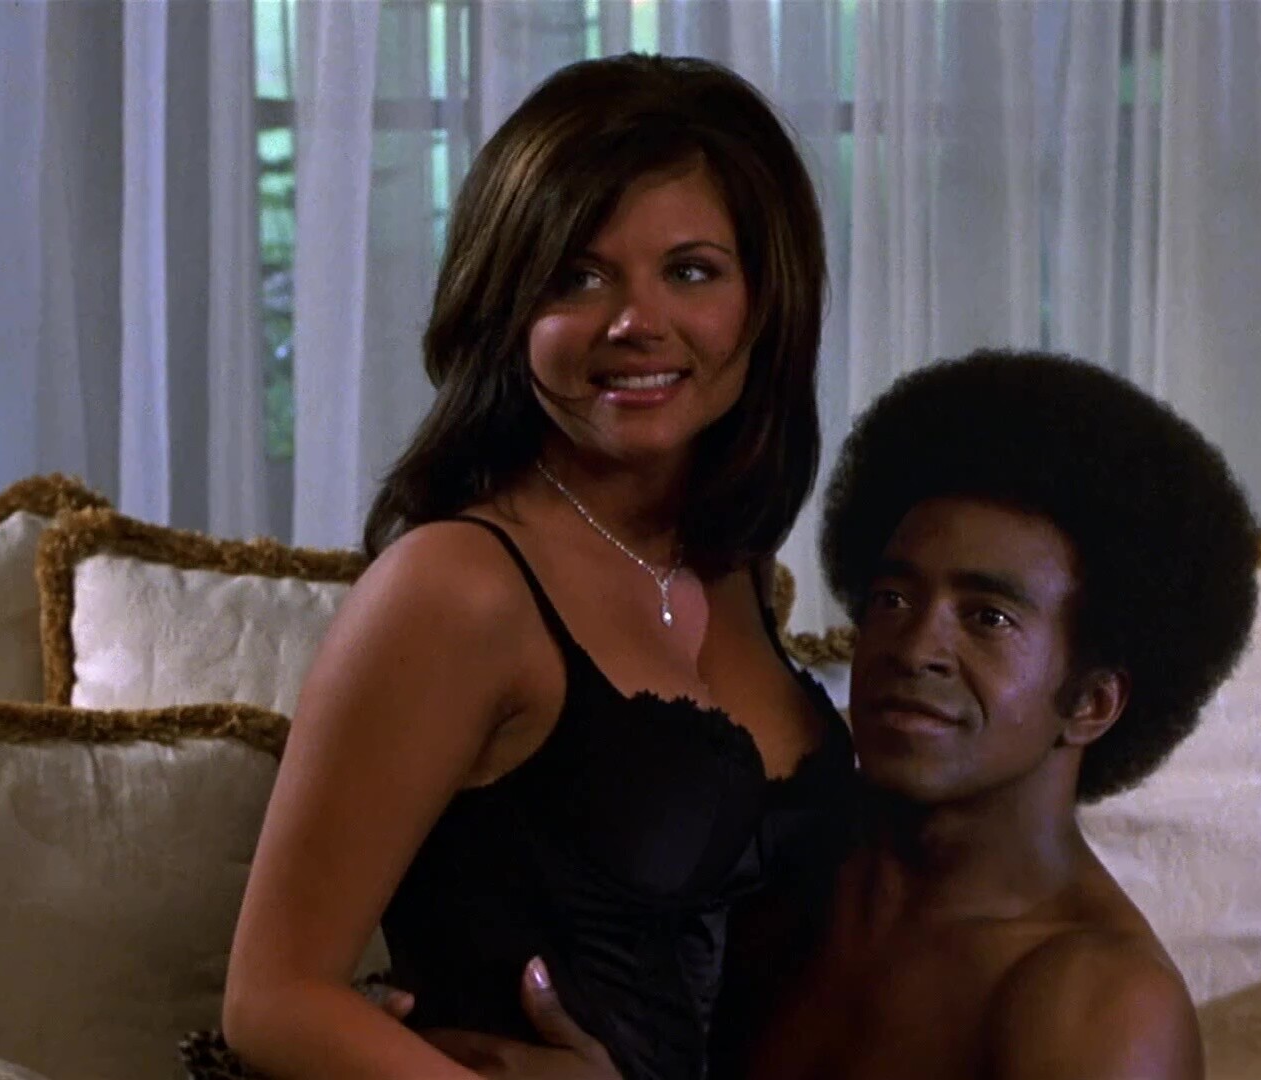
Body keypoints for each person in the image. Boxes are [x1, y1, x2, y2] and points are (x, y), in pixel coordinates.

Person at [218, 53, 854, 1080]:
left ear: (766, 301)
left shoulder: (725, 563)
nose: (635, 322)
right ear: (505, 309)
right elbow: (272, 1001)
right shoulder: (456, 586)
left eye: (691, 271)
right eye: (577, 277)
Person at [414, 349, 1259, 1079]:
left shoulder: (1099, 1006)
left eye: (987, 618)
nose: (914, 647)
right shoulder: (783, 865)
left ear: (1093, 702)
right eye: (893, 598)